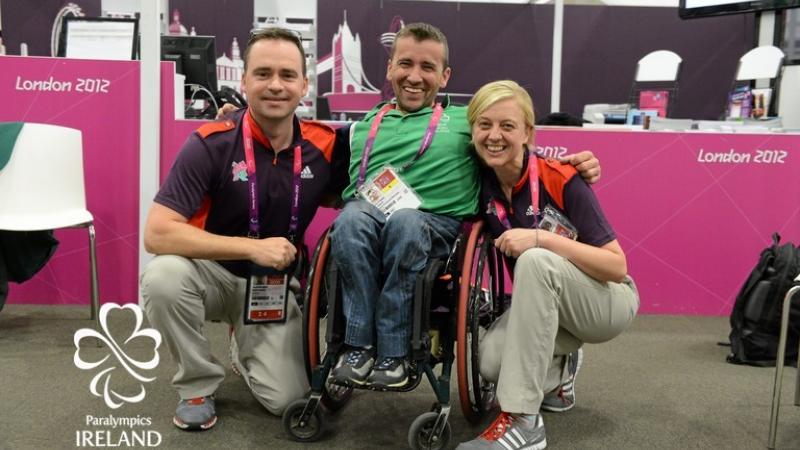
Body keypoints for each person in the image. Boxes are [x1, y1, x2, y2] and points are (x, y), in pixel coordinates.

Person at [328, 23, 602, 390]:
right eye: (405, 64)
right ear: (390, 68)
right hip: (372, 222)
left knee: (406, 221)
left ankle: (394, 350)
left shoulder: (464, 121)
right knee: (349, 219)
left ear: (445, 77)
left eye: (428, 67)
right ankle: (358, 344)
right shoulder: (364, 125)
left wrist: (575, 163)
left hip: (435, 228)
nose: (414, 76)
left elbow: (509, 147)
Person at [139, 27, 348, 431]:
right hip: (210, 275)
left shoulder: (325, 146)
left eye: (287, 75)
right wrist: (250, 248)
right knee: (163, 276)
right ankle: (196, 385)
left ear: (304, 85)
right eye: (263, 73)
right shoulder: (209, 144)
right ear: (244, 80)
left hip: (272, 285)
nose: (275, 85)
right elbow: (157, 234)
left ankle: (244, 346)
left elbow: (355, 194)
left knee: (287, 400)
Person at [456, 80, 639, 450]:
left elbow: (616, 266)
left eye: (507, 126)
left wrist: (543, 239)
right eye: (484, 124)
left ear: (527, 132)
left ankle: (525, 423)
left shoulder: (562, 177)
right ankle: (558, 376)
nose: (494, 135)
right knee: (492, 362)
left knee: (537, 260)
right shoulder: (477, 183)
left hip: (606, 301)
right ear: (472, 129)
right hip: (546, 307)